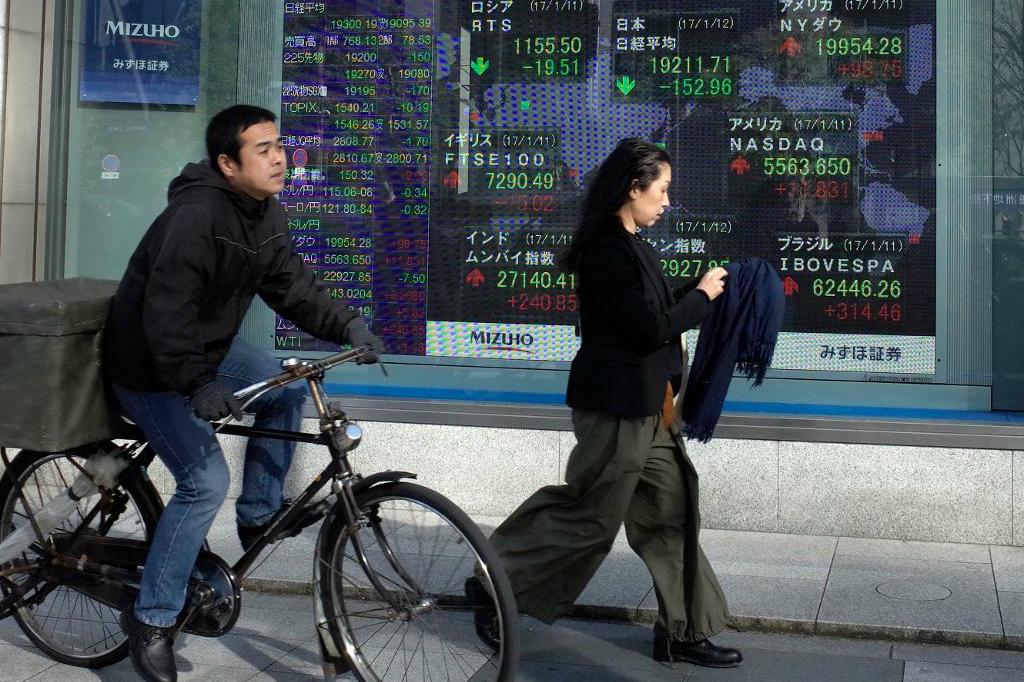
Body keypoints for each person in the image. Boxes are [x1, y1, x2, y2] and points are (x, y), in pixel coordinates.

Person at [102, 104, 384, 682]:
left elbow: (292, 286)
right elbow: (167, 308)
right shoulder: (196, 215)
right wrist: (197, 383)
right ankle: (153, 619)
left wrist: (345, 324)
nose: (279, 157)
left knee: (283, 388)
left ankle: (258, 516)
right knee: (204, 483)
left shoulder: (264, 213)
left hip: (205, 348)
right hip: (151, 363)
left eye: (280, 144)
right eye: (263, 149)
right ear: (228, 163)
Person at [485, 138, 742, 668]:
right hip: (617, 409)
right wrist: (702, 298)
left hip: (653, 411)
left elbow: (655, 302)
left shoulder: (634, 243)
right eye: (663, 190)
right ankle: (493, 584)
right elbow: (647, 327)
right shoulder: (605, 250)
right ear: (634, 187)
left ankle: (683, 631)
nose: (667, 201)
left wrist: (696, 286)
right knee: (587, 516)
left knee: (672, 513)